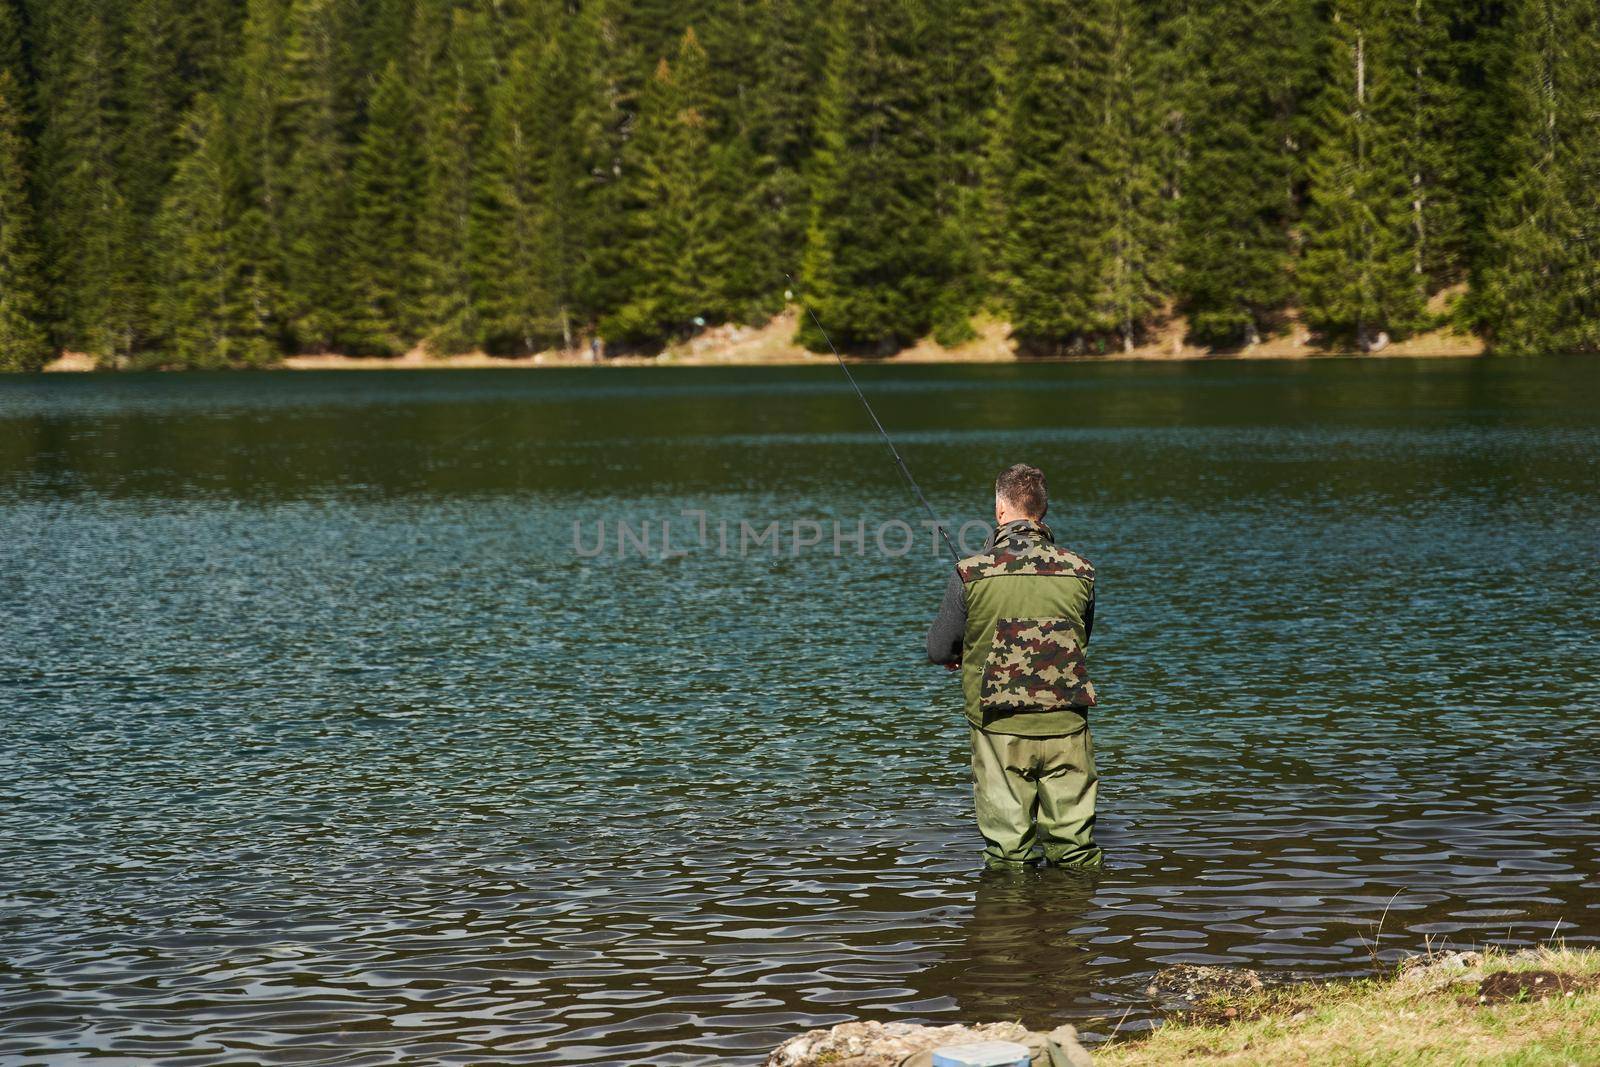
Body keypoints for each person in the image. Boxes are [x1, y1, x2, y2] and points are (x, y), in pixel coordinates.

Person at [926, 464, 1103, 870]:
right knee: (1076, 851)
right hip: (1066, 725)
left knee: (1008, 855)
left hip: (998, 728)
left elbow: (938, 648)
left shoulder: (971, 572)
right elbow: (1082, 636)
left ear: (1000, 510)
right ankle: (1076, 924)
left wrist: (960, 652)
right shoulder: (1081, 571)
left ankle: (1008, 926)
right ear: (1042, 511)